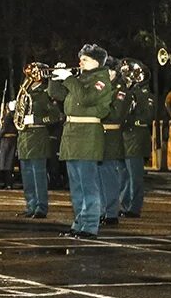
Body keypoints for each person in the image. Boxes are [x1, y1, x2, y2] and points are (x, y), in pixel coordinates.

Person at [49, 44, 113, 239]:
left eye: (84, 59)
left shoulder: (101, 80)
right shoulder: (80, 79)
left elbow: (86, 98)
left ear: (96, 61)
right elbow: (57, 94)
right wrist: (55, 78)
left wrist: (68, 78)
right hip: (72, 134)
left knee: (88, 184)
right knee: (76, 184)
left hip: (87, 135)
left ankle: (90, 225)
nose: (80, 62)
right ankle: (79, 223)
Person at [15, 62, 61, 219]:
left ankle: (41, 207)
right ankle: (30, 205)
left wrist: (36, 119)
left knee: (38, 175)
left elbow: (56, 116)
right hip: (24, 137)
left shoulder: (45, 93)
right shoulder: (24, 91)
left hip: (38, 135)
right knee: (27, 175)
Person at [99, 56, 131, 227]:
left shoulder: (121, 90)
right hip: (99, 136)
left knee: (109, 177)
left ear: (112, 72)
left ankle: (111, 213)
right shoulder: (103, 88)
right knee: (99, 178)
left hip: (110, 137)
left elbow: (116, 114)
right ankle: (102, 210)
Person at [119, 58, 153, 218]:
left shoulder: (144, 94)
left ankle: (134, 207)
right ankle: (125, 204)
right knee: (124, 175)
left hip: (137, 137)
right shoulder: (128, 92)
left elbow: (148, 115)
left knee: (135, 176)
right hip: (125, 137)